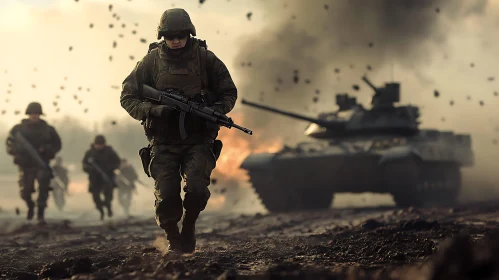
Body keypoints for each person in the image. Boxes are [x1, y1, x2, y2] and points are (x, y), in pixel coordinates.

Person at [120, 8, 237, 254]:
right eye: (170, 36)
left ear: (189, 33)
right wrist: (153, 110)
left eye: (180, 35)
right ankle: (173, 239)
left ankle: (190, 226)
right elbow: (128, 96)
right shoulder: (150, 62)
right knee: (167, 194)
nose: (175, 41)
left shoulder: (205, 58)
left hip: (198, 138)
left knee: (196, 189)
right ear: (162, 36)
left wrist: (212, 110)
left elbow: (228, 92)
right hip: (162, 140)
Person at [5, 102, 61, 223]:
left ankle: (40, 213)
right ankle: (30, 206)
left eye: (36, 114)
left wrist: (46, 149)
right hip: (25, 165)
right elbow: (9, 145)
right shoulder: (18, 130)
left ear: (40, 115)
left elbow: (57, 145)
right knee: (25, 191)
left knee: (43, 188)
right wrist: (18, 150)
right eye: (32, 114)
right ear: (28, 114)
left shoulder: (48, 129)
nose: (34, 116)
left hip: (41, 163)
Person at [82, 135, 120, 220]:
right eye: (98, 144)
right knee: (96, 197)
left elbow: (117, 162)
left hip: (107, 177)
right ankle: (101, 211)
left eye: (101, 144)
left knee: (108, 197)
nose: (99, 146)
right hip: (94, 179)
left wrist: (109, 168)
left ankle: (108, 207)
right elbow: (84, 165)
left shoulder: (110, 151)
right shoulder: (89, 153)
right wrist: (91, 169)